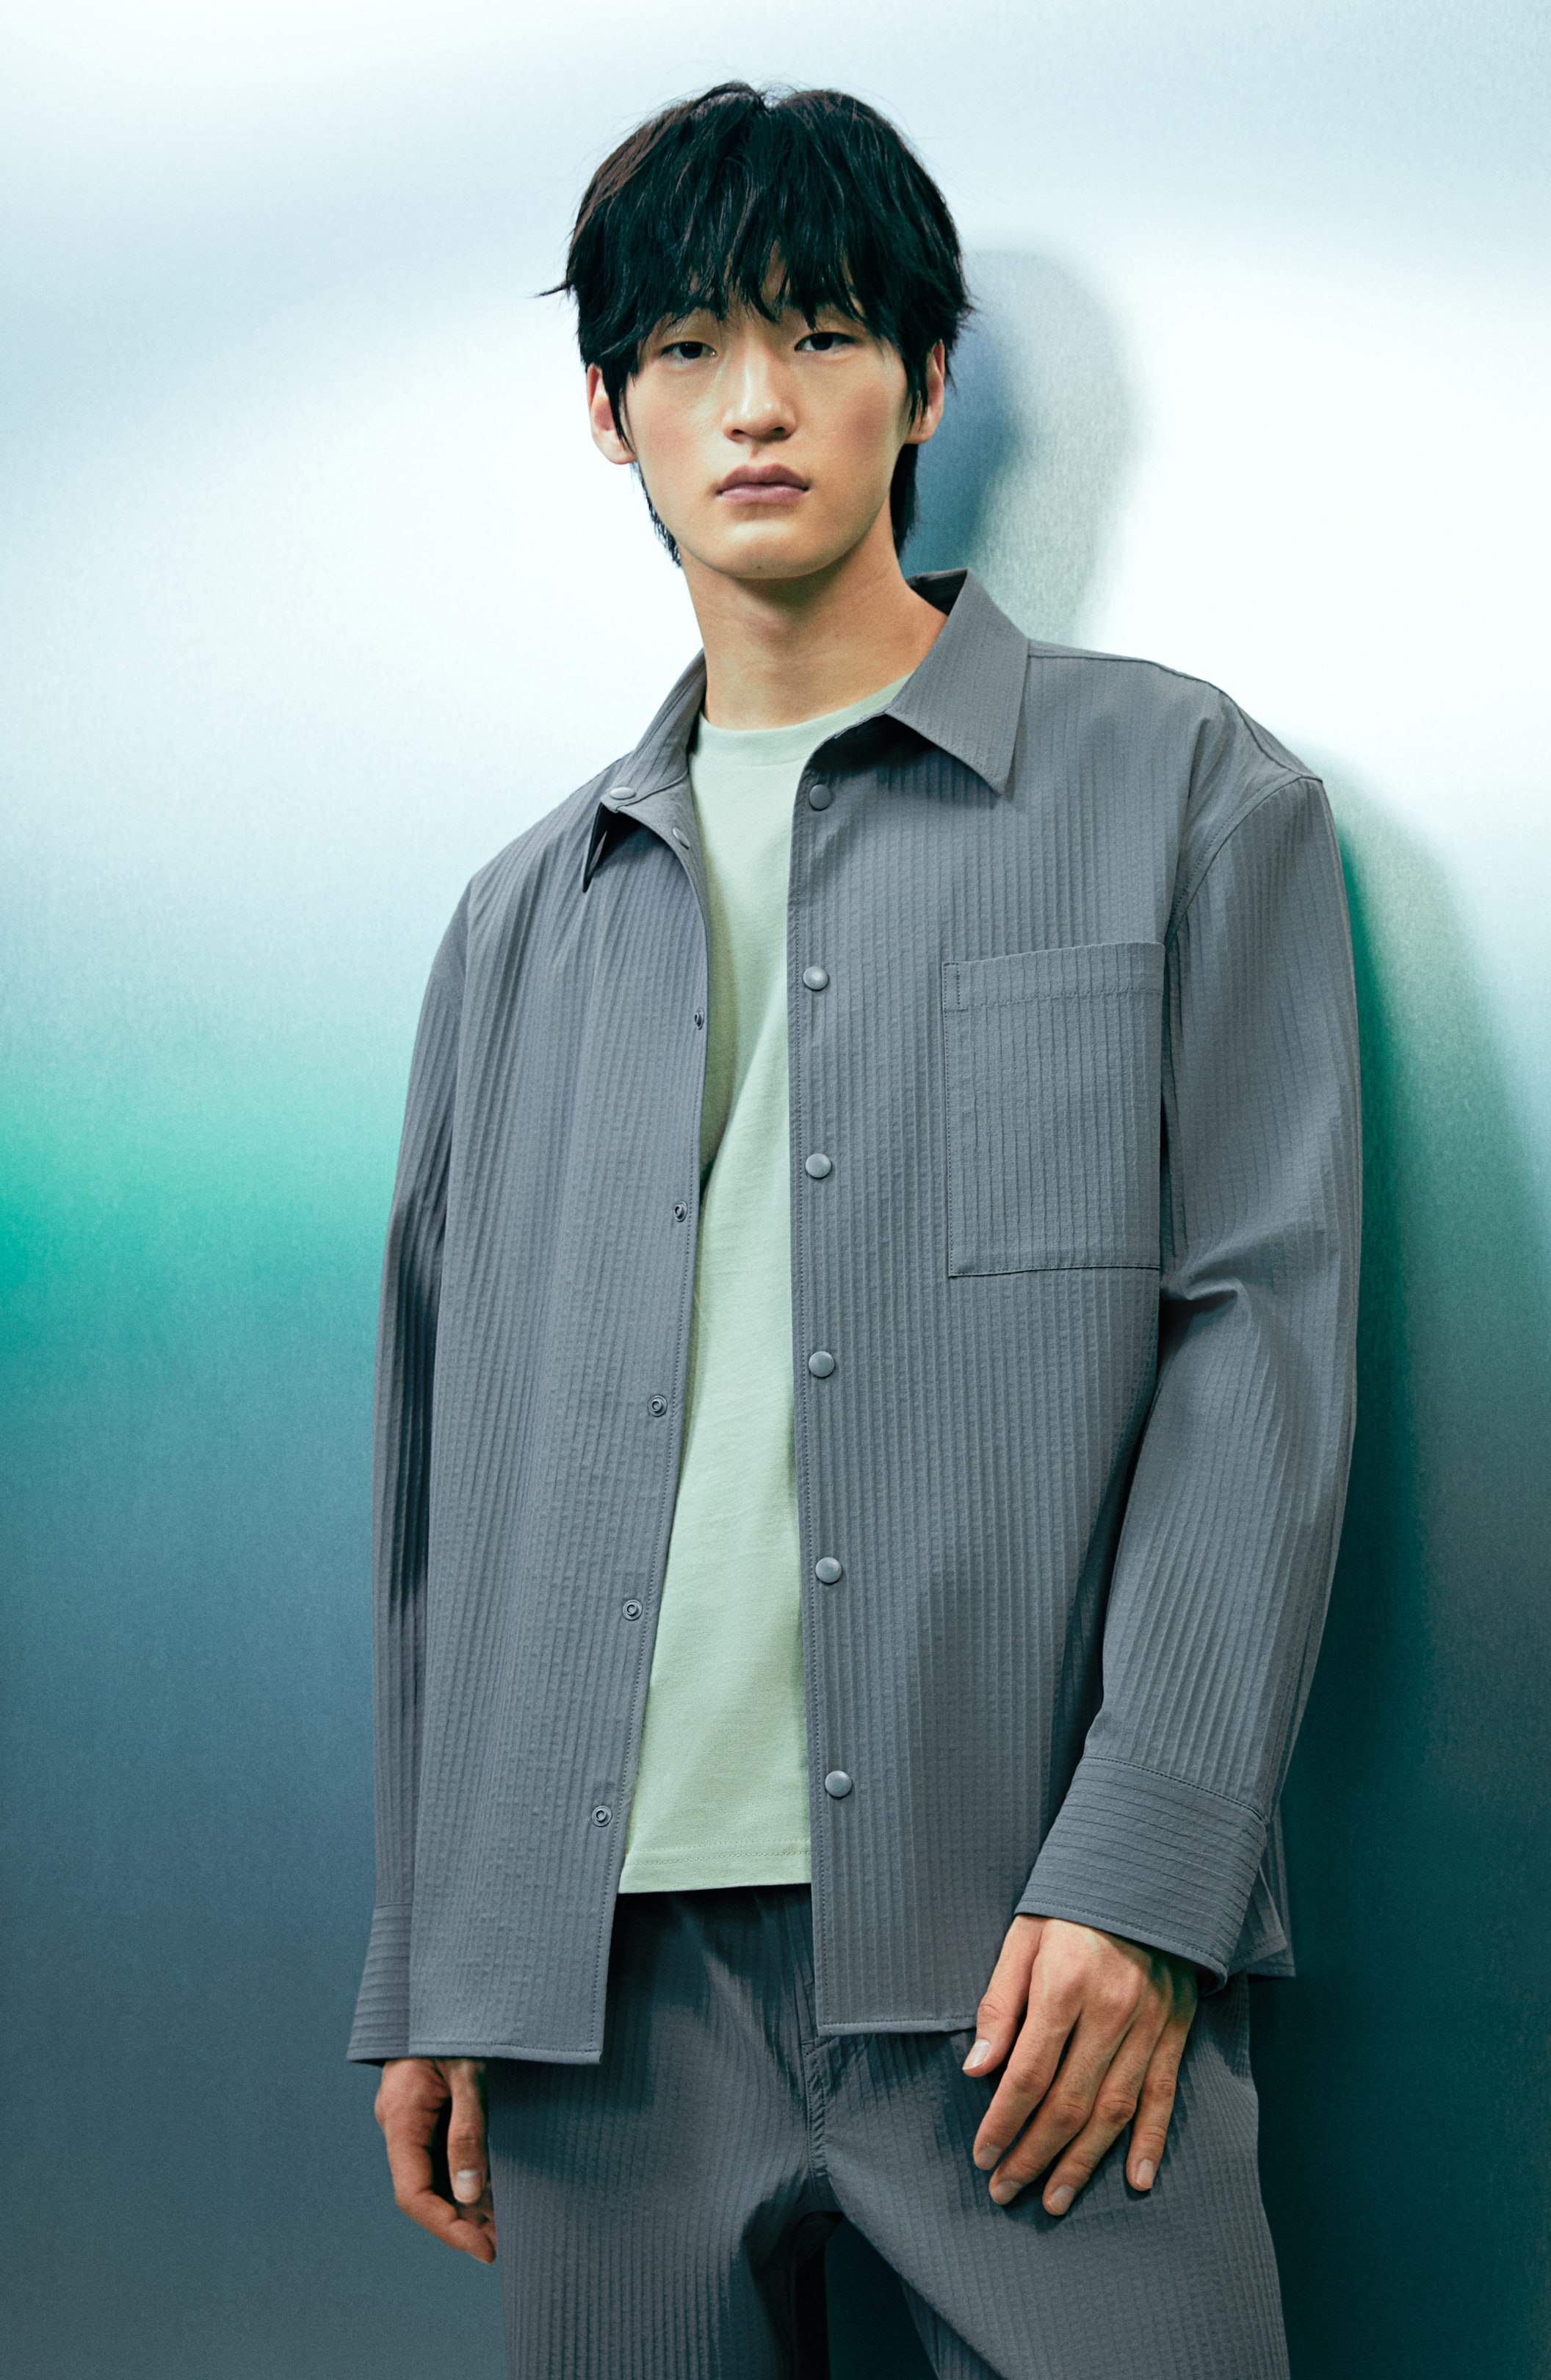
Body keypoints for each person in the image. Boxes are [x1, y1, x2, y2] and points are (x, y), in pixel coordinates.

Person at [348, 79, 1362, 2380]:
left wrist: (1150, 1872)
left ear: (922, 375)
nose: (756, 403)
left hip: (1031, 1966)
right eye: (687, 346)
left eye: (817, 332)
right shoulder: (514, 924)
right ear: (605, 411)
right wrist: (434, 1955)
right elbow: (439, 1483)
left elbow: (1264, 1349)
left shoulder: (1186, 792)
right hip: (594, 1998)